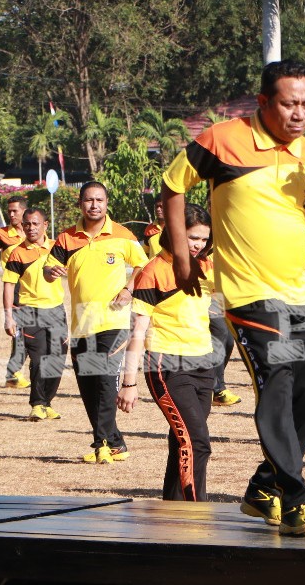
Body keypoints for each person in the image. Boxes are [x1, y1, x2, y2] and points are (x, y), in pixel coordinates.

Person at [161, 59, 305, 536]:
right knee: (279, 383)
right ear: (265, 102)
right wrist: (183, 259)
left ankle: (263, 487)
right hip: (249, 296)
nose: (299, 113)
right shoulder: (223, 138)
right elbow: (172, 186)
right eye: (290, 104)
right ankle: (296, 498)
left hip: (301, 297)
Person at [118, 203, 218, 500]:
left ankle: (171, 514)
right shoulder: (153, 271)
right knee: (197, 443)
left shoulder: (207, 267)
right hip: (167, 366)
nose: (199, 245)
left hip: (204, 364)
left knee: (182, 440)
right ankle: (195, 516)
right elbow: (137, 331)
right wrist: (129, 383)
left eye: (203, 239)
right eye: (192, 237)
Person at [50, 182, 148, 464]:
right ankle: (116, 443)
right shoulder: (67, 238)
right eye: (89, 200)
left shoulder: (122, 235)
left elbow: (143, 265)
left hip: (114, 323)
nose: (94, 205)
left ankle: (102, 443)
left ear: (106, 203)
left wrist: (129, 288)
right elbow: (48, 268)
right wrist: (51, 270)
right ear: (81, 203)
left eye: (100, 200)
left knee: (106, 383)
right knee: (89, 386)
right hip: (82, 326)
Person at [2, 208, 67, 421]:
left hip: (56, 310)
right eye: (27, 224)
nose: (31, 228)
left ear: (45, 225)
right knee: (39, 360)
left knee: (57, 360)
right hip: (29, 312)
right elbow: (9, 285)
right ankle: (37, 404)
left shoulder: (57, 247)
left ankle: (47, 402)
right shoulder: (17, 252)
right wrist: (9, 315)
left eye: (35, 224)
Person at [0, 195, 31, 389]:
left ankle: (14, 372)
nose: (11, 214)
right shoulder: (1, 234)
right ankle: (13, 372)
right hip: (15, 287)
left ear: (24, 212)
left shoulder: (33, 231)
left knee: (31, 330)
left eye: (14, 211)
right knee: (21, 330)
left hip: (34, 287)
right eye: (9, 211)